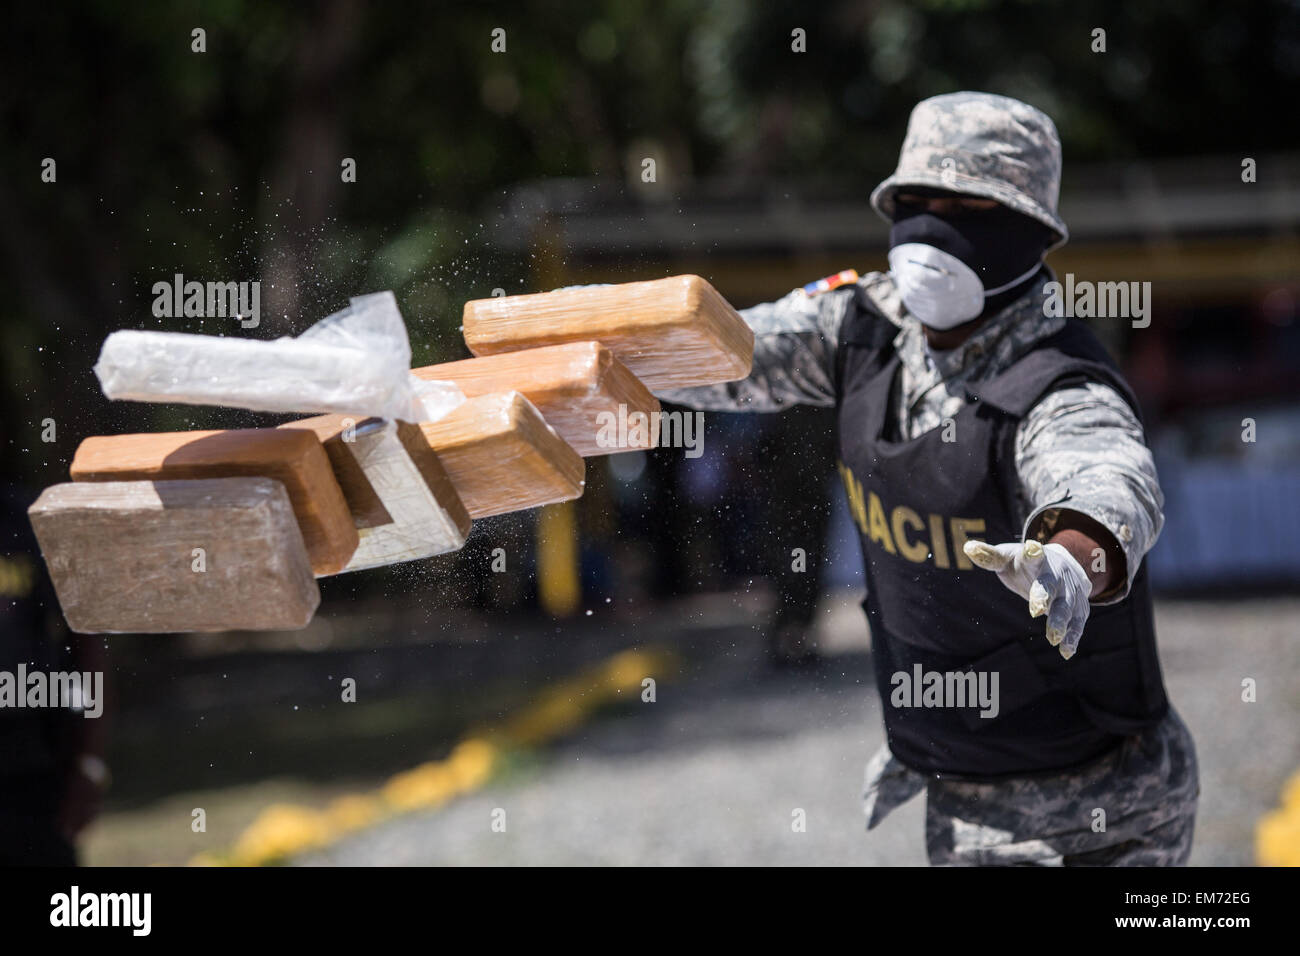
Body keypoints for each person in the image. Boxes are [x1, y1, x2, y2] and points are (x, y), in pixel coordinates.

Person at [657, 91, 1199, 865]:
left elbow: (1105, 476)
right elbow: (720, 358)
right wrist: (571, 371)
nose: (931, 225)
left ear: (1033, 234)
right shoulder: (858, 328)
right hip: (960, 791)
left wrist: (1070, 558)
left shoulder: (1057, 378)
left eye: (966, 206)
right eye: (915, 201)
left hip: (1102, 806)